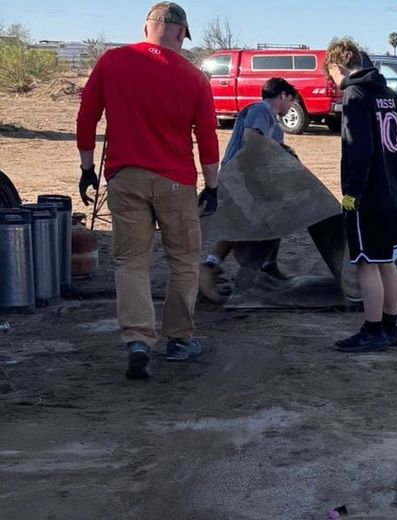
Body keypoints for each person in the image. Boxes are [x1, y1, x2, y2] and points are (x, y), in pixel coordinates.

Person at [76, 2, 219, 379]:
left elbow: (87, 115)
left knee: (130, 261)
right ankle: (179, 339)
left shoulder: (112, 61)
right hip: (176, 181)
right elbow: (207, 138)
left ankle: (138, 339)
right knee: (183, 260)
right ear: (179, 33)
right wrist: (213, 185)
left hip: (125, 177)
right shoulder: (194, 77)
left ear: (146, 28)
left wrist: (87, 168)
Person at [323, 38, 397, 353]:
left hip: (369, 194)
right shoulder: (390, 95)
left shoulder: (356, 95)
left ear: (337, 65)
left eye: (330, 73)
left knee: (367, 263)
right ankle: (391, 327)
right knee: (386, 261)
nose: (332, 81)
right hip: (393, 191)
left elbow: (359, 147)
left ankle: (373, 329)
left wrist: (352, 191)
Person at [199, 77, 300, 303]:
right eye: (291, 101)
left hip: (251, 178)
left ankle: (267, 266)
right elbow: (252, 139)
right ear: (283, 95)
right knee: (241, 225)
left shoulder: (275, 124)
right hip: (239, 177)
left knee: (270, 220)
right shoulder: (261, 109)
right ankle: (208, 267)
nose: (291, 106)